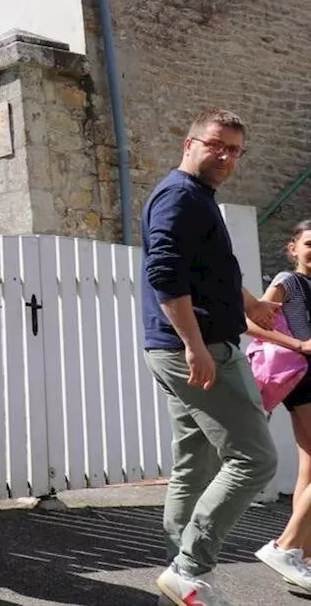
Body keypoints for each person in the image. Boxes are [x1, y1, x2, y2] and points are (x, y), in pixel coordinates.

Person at [141, 108, 282, 606]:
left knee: (193, 464)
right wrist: (195, 346)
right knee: (255, 459)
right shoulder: (181, 196)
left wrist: (253, 306)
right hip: (197, 351)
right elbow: (164, 272)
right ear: (189, 143)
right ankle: (190, 567)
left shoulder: (195, 198)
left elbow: (212, 270)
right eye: (216, 145)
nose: (225, 156)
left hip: (183, 348)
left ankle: (180, 582)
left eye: (235, 149)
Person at [246, 219, 311, 594]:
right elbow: (250, 322)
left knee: (309, 467)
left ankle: (301, 555)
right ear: (293, 248)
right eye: (309, 243)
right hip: (305, 377)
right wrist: (297, 345)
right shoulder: (288, 281)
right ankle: (286, 547)